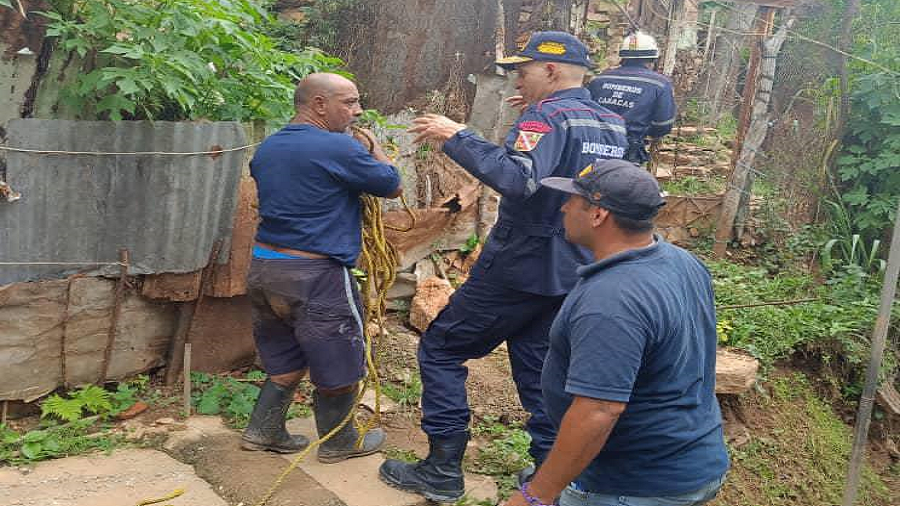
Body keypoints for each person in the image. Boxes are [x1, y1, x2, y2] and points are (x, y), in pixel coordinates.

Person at [379, 31, 628, 502]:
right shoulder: (611, 122)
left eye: (524, 70)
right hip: (573, 268)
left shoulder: (548, 115)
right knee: (540, 372)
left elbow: (518, 178)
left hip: (521, 265)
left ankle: (442, 468)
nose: (519, 79)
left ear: (550, 70)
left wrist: (460, 136)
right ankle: (552, 482)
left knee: (442, 347)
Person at [502, 159, 729, 506]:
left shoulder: (611, 300)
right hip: (691, 459)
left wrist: (536, 495)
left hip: (633, 484)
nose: (563, 207)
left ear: (598, 215)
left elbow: (599, 409)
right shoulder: (682, 262)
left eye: (573, 200)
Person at [242, 73, 402, 463]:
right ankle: (339, 441)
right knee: (342, 359)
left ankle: (263, 431)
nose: (357, 110)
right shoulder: (337, 147)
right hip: (316, 276)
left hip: (265, 271)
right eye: (349, 102)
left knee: (285, 357)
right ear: (318, 104)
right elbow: (392, 184)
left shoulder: (269, 148)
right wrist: (375, 146)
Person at [587, 31, 676, 165]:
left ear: (623, 56)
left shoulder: (599, 79)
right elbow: (662, 126)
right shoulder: (660, 84)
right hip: (627, 154)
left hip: (590, 148)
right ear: (653, 59)